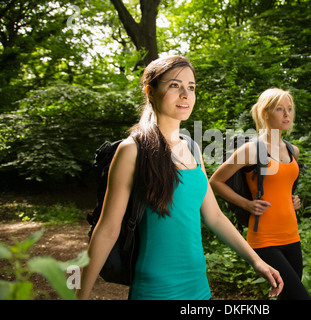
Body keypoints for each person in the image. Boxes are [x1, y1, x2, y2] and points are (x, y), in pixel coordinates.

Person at [76, 56, 283, 300]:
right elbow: (107, 230)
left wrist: (257, 261)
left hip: (199, 288)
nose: (185, 94)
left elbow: (215, 217)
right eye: (174, 85)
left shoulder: (193, 148)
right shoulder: (133, 150)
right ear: (150, 92)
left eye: (191, 87)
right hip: (155, 291)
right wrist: (80, 297)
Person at [210, 88, 311, 300]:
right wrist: (246, 204)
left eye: (290, 109)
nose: (287, 115)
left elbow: (283, 187)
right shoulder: (251, 149)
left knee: (288, 297)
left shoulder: (293, 150)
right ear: (265, 113)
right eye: (280, 109)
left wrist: (293, 200)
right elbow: (215, 182)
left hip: (292, 235)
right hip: (264, 239)